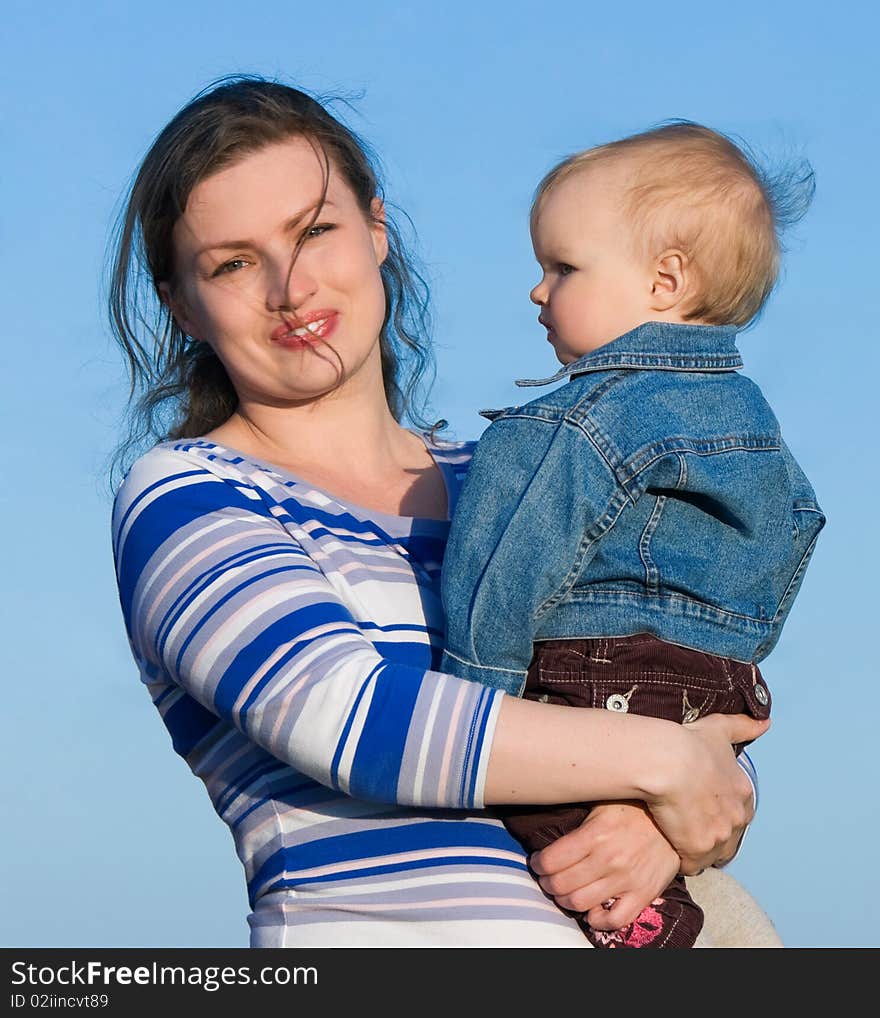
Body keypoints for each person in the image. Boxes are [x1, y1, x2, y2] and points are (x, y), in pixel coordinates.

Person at [108, 76, 777, 948]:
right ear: (180, 305)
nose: (289, 286)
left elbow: (683, 682)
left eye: (314, 231)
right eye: (232, 263)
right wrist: (665, 763)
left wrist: (655, 828)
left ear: (376, 231)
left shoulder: (516, 475)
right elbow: (349, 719)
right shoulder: (186, 493)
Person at [439, 123, 824, 947]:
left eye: (562, 267)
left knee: (560, 842)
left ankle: (651, 932)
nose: (538, 293)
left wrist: (475, 702)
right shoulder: (753, 418)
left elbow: (506, 568)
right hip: (709, 695)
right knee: (629, 836)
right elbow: (797, 527)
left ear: (665, 281)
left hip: (591, 677)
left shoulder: (573, 422)